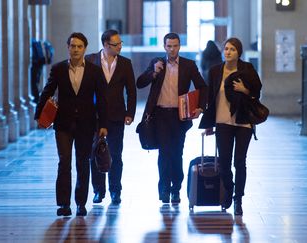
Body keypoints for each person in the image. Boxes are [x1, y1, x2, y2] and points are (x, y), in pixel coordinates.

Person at [34, 32, 108, 217]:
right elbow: (47, 91)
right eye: (72, 46)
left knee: (83, 163)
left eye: (79, 46)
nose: (75, 49)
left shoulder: (94, 71)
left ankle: (81, 204)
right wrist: (39, 115)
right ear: (68, 48)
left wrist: (103, 124)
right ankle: (64, 204)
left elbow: (102, 100)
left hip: (86, 124)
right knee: (64, 162)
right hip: (63, 124)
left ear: (85, 49)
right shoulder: (58, 69)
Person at [137, 32, 207, 204]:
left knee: (176, 153)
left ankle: (176, 188)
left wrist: (200, 107)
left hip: (179, 116)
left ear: (179, 46)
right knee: (164, 153)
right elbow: (140, 83)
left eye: (175, 46)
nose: (172, 49)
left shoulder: (189, 65)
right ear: (164, 47)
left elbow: (202, 87)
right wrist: (153, 73)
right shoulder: (157, 63)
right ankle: (164, 189)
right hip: (159, 115)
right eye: (169, 46)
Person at [199, 37, 262, 215]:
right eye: (226, 49)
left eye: (232, 49)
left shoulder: (247, 69)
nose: (228, 52)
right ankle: (229, 189)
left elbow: (257, 91)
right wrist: (208, 123)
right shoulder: (215, 71)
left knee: (240, 161)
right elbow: (211, 98)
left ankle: (238, 199)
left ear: (238, 53)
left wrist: (245, 90)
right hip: (222, 121)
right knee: (225, 163)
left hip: (243, 121)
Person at [85, 29, 137, 205]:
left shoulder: (125, 63)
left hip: (116, 115)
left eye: (121, 43)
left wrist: (130, 113)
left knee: (115, 154)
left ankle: (115, 190)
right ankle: (99, 191)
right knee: (95, 154)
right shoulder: (90, 60)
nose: (120, 47)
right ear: (106, 45)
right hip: (94, 116)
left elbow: (131, 90)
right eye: (116, 44)